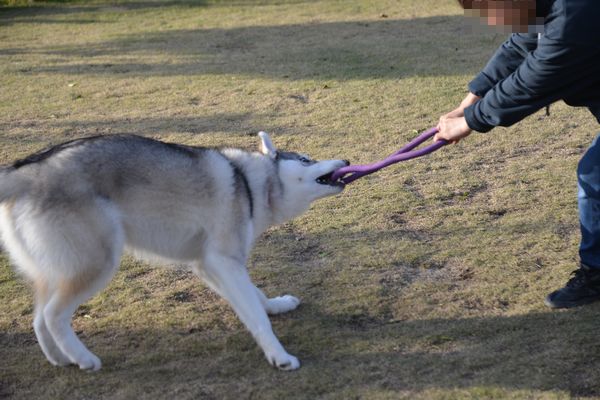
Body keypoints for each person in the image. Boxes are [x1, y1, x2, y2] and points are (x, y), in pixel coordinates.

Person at [433, 0, 600, 308]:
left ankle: (597, 272)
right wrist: (470, 100)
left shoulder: (573, 19)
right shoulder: (550, 8)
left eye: (490, 10)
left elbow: (532, 81)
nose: (493, 21)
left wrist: (469, 121)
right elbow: (519, 47)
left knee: (595, 175)